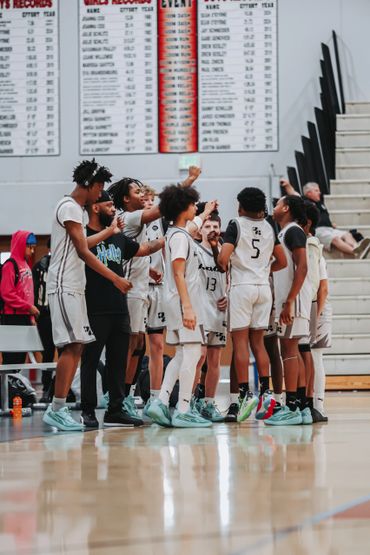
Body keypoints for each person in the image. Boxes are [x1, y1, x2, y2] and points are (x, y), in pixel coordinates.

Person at [43, 159, 132, 432]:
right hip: (63, 285)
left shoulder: (79, 212)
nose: (101, 193)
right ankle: (56, 408)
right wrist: (115, 278)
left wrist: (108, 232)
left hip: (75, 287)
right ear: (90, 184)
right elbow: (83, 251)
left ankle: (58, 407)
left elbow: (84, 242)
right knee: (71, 347)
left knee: (77, 346)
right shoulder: (69, 206)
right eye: (100, 187)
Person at [107, 167, 202, 418]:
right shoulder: (127, 218)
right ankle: (117, 397)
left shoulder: (156, 228)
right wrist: (189, 182)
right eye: (138, 192)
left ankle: (133, 396)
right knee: (129, 345)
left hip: (143, 287)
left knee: (139, 346)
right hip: (129, 289)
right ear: (126, 199)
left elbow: (145, 248)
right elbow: (163, 209)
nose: (143, 195)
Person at [80, 190, 164, 428]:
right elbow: (82, 249)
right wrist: (108, 231)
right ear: (95, 208)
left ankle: (115, 410)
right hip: (94, 307)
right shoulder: (84, 234)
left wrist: (175, 236)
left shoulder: (118, 238)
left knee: (118, 361)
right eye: (108, 205)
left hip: (119, 306)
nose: (113, 210)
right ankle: (87, 410)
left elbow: (143, 249)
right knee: (90, 359)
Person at [213, 187, 287, 423]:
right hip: (263, 288)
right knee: (259, 344)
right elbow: (282, 261)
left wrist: (222, 258)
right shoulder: (269, 226)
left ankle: (244, 394)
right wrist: (263, 270)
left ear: (241, 206)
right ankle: (266, 394)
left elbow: (223, 260)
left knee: (240, 343)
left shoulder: (236, 224)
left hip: (242, 287)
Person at [147, 185, 212, 428]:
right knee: (194, 352)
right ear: (183, 207)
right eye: (194, 204)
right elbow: (177, 271)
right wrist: (188, 307)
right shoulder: (180, 238)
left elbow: (194, 224)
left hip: (174, 301)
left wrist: (206, 213)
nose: (196, 207)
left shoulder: (177, 232)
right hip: (184, 302)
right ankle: (183, 409)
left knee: (183, 353)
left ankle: (161, 401)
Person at [265, 195, 312, 426]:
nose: (273, 208)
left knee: (289, 351)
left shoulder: (293, 231)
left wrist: (290, 301)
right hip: (288, 300)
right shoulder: (285, 232)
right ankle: (300, 406)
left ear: (286, 208)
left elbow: (302, 267)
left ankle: (291, 406)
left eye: (277, 204)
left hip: (293, 302)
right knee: (291, 351)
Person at [193, 213, 227, 422]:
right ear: (200, 230)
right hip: (200, 309)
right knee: (199, 357)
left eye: (215, 225)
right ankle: (188, 401)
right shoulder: (195, 250)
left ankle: (208, 403)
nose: (212, 229)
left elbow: (230, 275)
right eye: (207, 226)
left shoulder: (224, 252)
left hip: (219, 310)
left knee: (215, 360)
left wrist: (229, 296)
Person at [280, 179, 370, 257]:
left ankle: (356, 248)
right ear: (309, 193)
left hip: (330, 229)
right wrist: (287, 184)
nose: (319, 192)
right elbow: (294, 193)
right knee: (335, 239)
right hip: (318, 230)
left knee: (347, 234)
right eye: (316, 190)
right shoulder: (304, 201)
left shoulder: (320, 203)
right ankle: (354, 252)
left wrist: (331, 224)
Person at [141, 185, 167, 416]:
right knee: (135, 347)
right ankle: (126, 396)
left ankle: (155, 398)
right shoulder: (130, 223)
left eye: (151, 200)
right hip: (137, 288)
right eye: (145, 199)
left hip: (159, 289)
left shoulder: (163, 223)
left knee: (158, 346)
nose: (148, 203)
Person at [0, 231, 39, 366]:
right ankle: (8, 386)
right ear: (21, 245)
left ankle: (15, 384)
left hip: (25, 317)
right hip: (12, 318)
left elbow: (28, 294)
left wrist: (31, 317)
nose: (32, 250)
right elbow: (7, 293)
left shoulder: (26, 265)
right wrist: (28, 307)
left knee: (21, 357)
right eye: (29, 247)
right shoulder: (10, 265)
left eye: (34, 247)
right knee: (12, 358)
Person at [32, 238, 55, 402]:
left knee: (65, 351)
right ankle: (47, 387)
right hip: (45, 315)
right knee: (47, 351)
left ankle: (60, 387)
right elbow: (33, 290)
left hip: (60, 312)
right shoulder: (40, 266)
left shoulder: (65, 263)